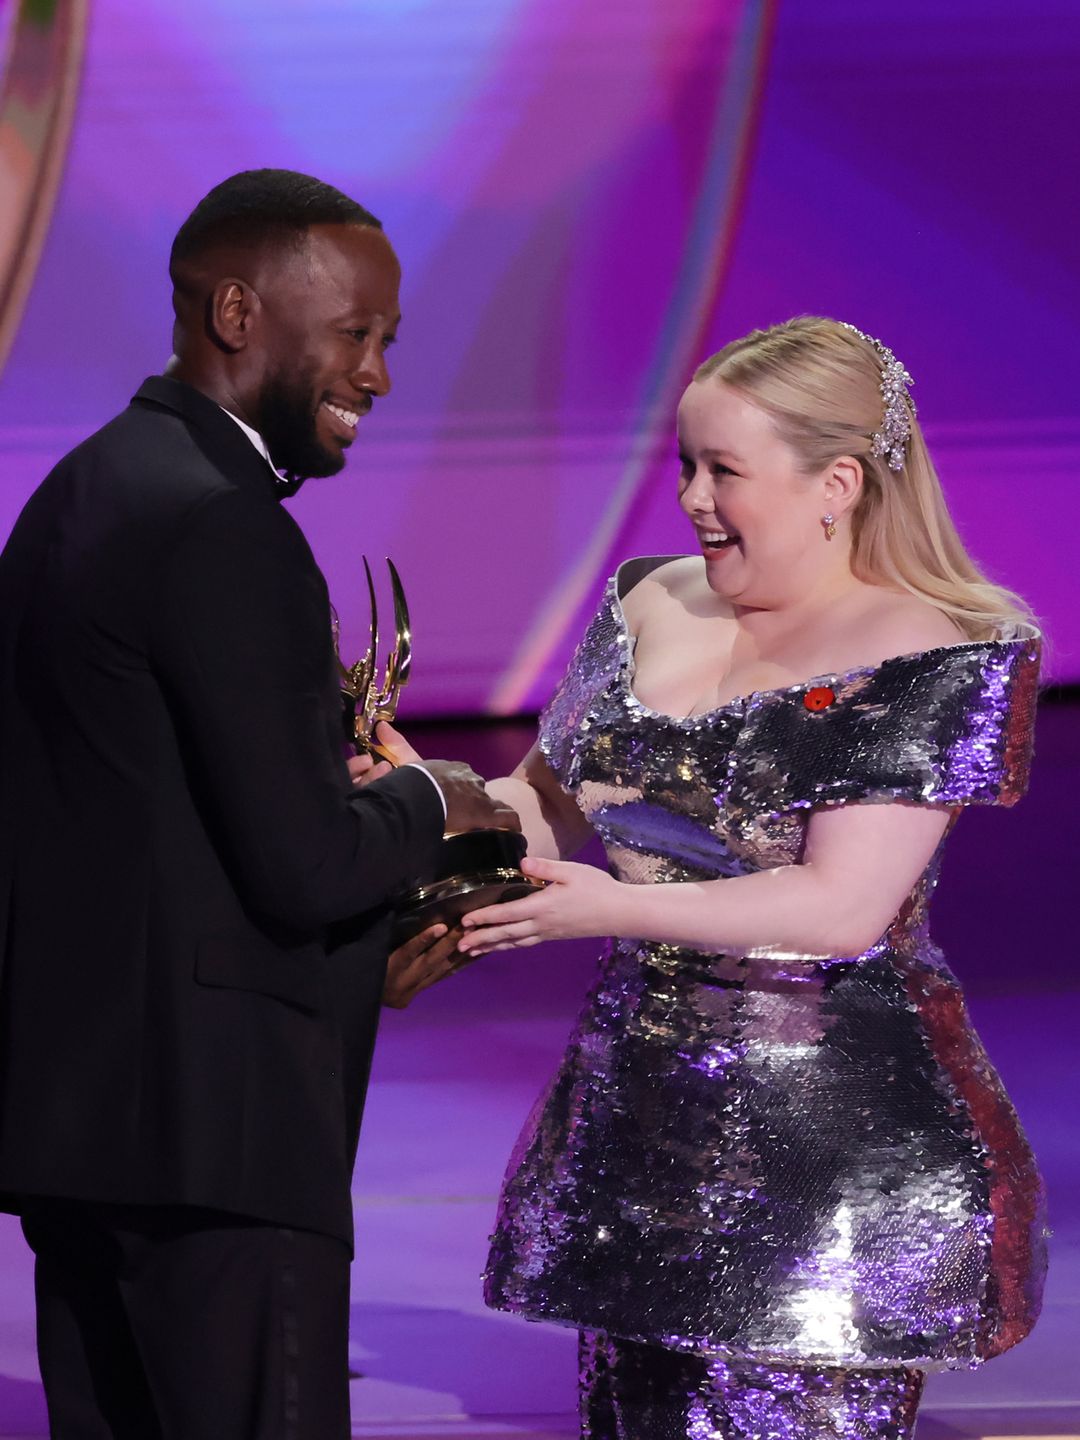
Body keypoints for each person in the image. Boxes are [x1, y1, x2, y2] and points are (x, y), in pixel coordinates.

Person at [406, 317, 1047, 1438]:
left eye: (726, 472)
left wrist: (608, 908)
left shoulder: (933, 653)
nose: (695, 498)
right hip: (638, 1125)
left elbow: (840, 906)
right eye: (685, 466)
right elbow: (544, 806)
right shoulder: (648, 600)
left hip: (830, 1152)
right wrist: (419, 793)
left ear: (835, 485)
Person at [0, 168, 516, 1439]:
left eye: (388, 340)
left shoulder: (85, 488)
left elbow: (144, 832)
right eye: (357, 334)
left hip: (87, 1134)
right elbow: (301, 864)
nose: (378, 376)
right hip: (222, 1144)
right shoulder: (222, 524)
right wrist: (431, 799)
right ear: (240, 311)